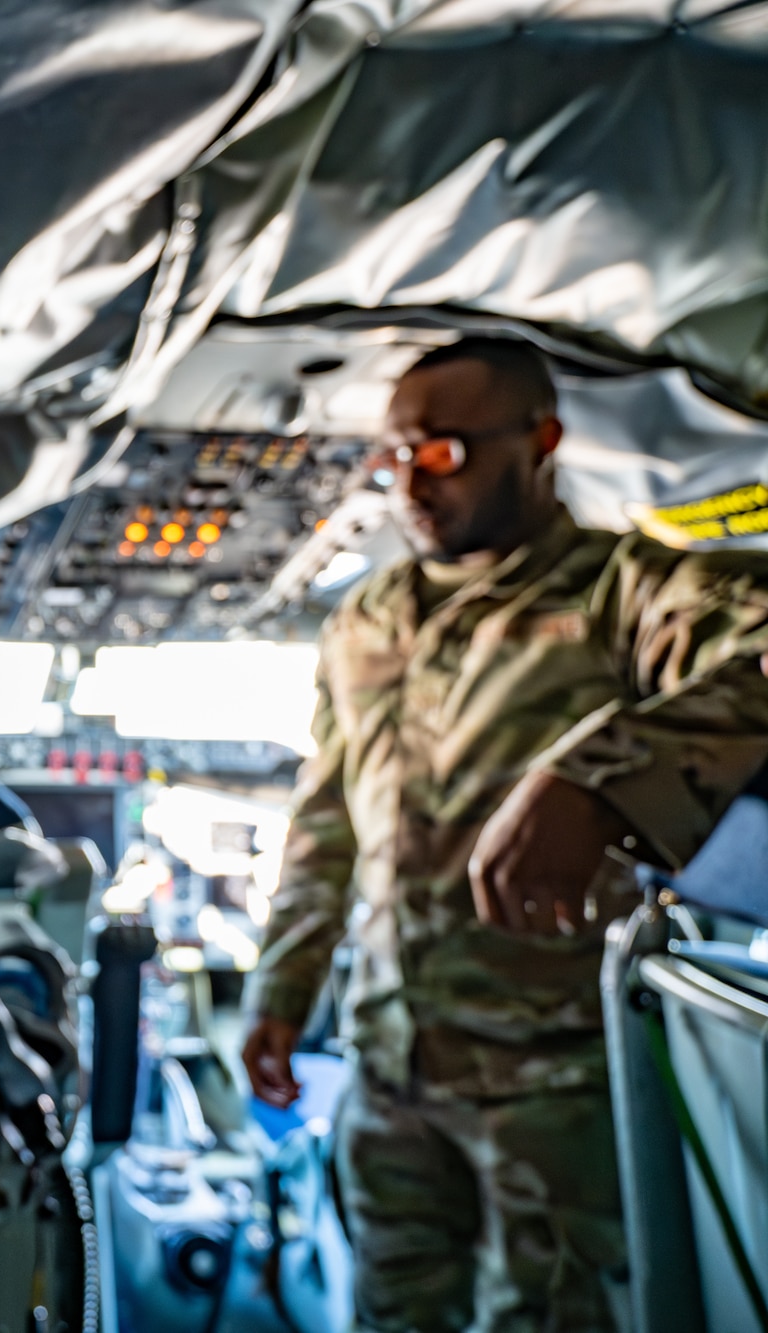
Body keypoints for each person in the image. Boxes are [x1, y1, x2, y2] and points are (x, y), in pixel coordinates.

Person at [240, 337, 768, 1331]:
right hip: (387, 1066)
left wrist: (602, 776)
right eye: (393, 456)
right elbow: (324, 816)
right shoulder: (363, 621)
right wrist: (282, 984)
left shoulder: (622, 592)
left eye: (441, 452)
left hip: (555, 1086)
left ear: (540, 442)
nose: (409, 483)